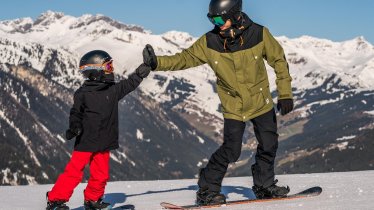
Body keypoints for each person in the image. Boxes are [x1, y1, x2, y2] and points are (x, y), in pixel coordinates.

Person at [143, 0, 294, 206]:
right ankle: (207, 188)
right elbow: (184, 58)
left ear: (235, 14)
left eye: (219, 18)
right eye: (211, 18)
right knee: (231, 151)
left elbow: (279, 61)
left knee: (269, 145)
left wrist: (285, 94)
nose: (215, 23)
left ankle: (264, 185)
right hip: (233, 106)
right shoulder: (210, 41)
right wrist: (156, 63)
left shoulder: (259, 34)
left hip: (260, 101)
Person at [46, 50, 151, 210]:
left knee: (101, 175)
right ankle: (55, 200)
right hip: (86, 141)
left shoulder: (113, 90)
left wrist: (141, 72)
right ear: (96, 70)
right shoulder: (82, 94)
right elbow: (76, 112)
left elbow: (129, 84)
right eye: (108, 66)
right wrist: (74, 126)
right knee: (73, 173)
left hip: (104, 142)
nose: (111, 70)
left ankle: (92, 200)